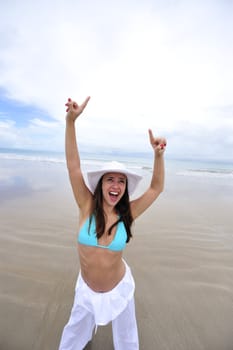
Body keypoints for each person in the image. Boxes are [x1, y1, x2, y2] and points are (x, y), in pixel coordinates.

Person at [59, 96, 166, 350]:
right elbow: (74, 167)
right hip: (86, 290)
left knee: (127, 341)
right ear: (101, 184)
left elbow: (156, 188)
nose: (116, 185)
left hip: (119, 290)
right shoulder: (85, 204)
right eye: (110, 180)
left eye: (121, 181)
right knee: (73, 337)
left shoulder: (128, 212)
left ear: (125, 187)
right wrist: (70, 122)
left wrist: (158, 156)